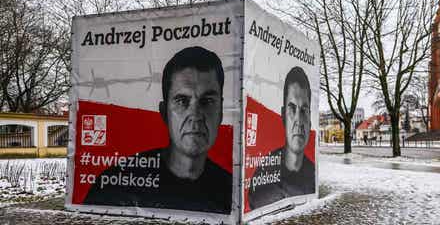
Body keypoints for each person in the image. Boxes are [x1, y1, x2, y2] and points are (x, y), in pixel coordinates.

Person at [84, 46, 232, 214]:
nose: (195, 116)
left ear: (221, 112)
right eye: (182, 101)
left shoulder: (231, 192)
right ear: (164, 113)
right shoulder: (114, 186)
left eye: (207, 101)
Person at [248, 66, 315, 210]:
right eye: (292, 109)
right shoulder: (263, 176)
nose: (298, 120)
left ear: (310, 120)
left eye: (304, 110)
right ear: (283, 116)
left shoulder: (313, 174)